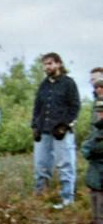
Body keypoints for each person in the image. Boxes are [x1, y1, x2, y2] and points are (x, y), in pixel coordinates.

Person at [31, 52, 81, 208]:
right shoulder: (43, 85)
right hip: (43, 131)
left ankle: (67, 199)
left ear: (58, 64)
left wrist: (64, 125)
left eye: (50, 63)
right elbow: (37, 108)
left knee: (65, 165)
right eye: (45, 64)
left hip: (61, 133)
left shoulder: (68, 83)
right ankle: (41, 198)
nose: (47, 67)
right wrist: (35, 126)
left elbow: (75, 107)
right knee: (41, 166)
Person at [80, 79, 103, 224]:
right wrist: (91, 150)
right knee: (97, 216)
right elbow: (86, 148)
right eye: (99, 111)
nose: (100, 114)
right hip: (95, 177)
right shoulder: (95, 129)